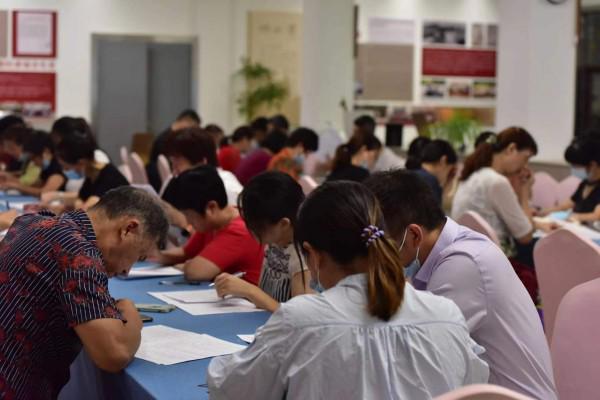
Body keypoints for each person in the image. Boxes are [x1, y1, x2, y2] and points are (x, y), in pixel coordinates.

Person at [207, 181, 489, 399]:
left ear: (313, 255)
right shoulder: (446, 314)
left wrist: (223, 362)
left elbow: (230, 389)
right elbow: (475, 384)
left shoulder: (300, 321)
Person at [365, 170, 557, 400]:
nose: (378, 259)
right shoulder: (439, 253)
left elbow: (416, 358)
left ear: (414, 235)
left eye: (382, 248)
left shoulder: (462, 265)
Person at [0, 186, 169, 400]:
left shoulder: (33, 222)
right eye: (140, 256)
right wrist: (130, 312)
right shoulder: (78, 253)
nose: (128, 270)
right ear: (129, 228)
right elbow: (113, 354)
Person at [451, 127, 554, 264]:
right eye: (526, 158)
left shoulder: (474, 175)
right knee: (547, 250)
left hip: (470, 256)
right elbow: (525, 236)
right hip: (496, 261)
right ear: (511, 149)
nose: (525, 166)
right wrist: (524, 190)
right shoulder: (496, 181)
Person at [214, 172, 312, 311]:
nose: (252, 233)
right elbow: (266, 297)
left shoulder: (303, 255)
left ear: (283, 224)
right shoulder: (275, 239)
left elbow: (300, 316)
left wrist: (250, 291)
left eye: (258, 228)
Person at [156, 166, 263, 284]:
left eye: (189, 215)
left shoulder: (239, 230)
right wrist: (153, 253)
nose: (188, 222)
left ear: (211, 207)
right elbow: (186, 253)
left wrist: (188, 264)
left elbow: (196, 272)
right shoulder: (211, 224)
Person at [51, 130, 129, 210]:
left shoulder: (109, 177)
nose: (65, 171)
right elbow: (80, 200)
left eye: (66, 167)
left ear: (81, 163)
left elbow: (87, 211)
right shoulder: (91, 176)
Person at [539, 136, 600, 222]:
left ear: (593, 165)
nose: (573, 168)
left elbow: (596, 216)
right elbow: (564, 206)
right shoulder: (585, 184)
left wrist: (571, 216)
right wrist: (540, 212)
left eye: (575, 165)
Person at [146, 109, 201, 191]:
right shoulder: (169, 140)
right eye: (194, 127)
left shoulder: (166, 136)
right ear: (187, 121)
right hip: (160, 182)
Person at [0, 129, 66, 196]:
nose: (33, 163)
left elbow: (45, 192)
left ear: (46, 152)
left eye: (33, 158)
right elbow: (36, 187)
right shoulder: (46, 169)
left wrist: (16, 186)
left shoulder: (57, 169)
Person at [413, 139, 458, 206]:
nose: (449, 176)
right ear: (443, 160)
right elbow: (435, 215)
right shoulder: (430, 182)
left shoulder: (411, 174)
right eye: (451, 171)